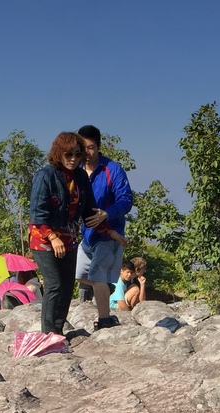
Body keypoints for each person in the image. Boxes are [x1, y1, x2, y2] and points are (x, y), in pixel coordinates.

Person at [26, 132, 96, 336]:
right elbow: (37, 212)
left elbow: (88, 210)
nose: (73, 159)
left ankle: (58, 330)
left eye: (77, 154)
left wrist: (106, 226)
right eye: (68, 154)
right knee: (54, 284)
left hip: (69, 237)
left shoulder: (81, 176)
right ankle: (48, 333)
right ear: (59, 154)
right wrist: (53, 237)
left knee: (67, 285)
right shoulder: (45, 175)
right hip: (44, 238)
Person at [74, 124, 132, 328]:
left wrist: (107, 214)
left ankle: (105, 320)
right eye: (82, 147)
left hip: (109, 235)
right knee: (79, 275)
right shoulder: (76, 170)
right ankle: (106, 284)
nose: (86, 153)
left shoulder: (112, 170)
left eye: (90, 147)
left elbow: (126, 200)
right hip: (87, 236)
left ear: (98, 146)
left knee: (97, 275)